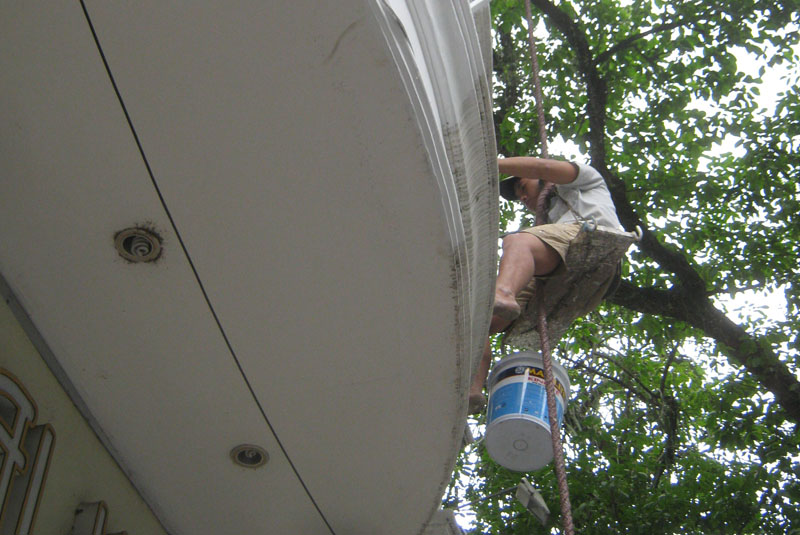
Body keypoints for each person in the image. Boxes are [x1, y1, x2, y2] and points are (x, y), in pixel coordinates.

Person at [468, 156, 622, 413]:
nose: (523, 198)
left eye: (523, 187)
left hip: (596, 239)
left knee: (518, 241)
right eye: (519, 197)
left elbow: (543, 167)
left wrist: (487, 162)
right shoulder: (552, 222)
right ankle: (474, 387)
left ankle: (504, 292)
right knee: (479, 319)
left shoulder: (586, 180)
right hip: (568, 267)